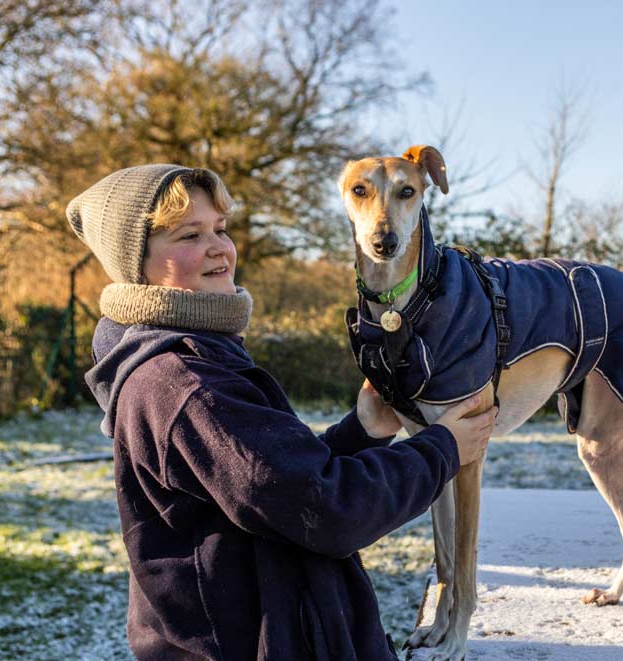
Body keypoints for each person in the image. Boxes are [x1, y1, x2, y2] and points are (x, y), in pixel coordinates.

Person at [66, 164, 496, 660]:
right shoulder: (181, 383)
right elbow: (327, 510)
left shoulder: (202, 353)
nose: (219, 248)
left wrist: (364, 431)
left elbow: (274, 491)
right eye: (189, 235)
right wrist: (443, 450)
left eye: (220, 229)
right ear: (135, 261)